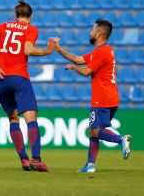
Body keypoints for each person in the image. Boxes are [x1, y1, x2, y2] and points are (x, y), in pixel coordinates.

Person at [53, 18, 132, 173]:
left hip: (101, 98)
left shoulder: (101, 51)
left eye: (92, 29)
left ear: (98, 33)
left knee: (96, 131)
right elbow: (78, 59)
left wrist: (73, 68)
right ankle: (90, 165)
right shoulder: (103, 50)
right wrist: (59, 49)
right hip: (111, 97)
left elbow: (86, 71)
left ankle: (121, 140)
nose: (90, 32)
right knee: (93, 130)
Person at [0, 0, 54, 172]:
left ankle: (24, 160)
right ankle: (36, 160)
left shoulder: (2, 26)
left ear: (16, 15)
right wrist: (47, 51)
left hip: (0, 78)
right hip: (19, 77)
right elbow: (28, 50)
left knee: (13, 119)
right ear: (31, 16)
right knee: (31, 118)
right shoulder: (31, 29)